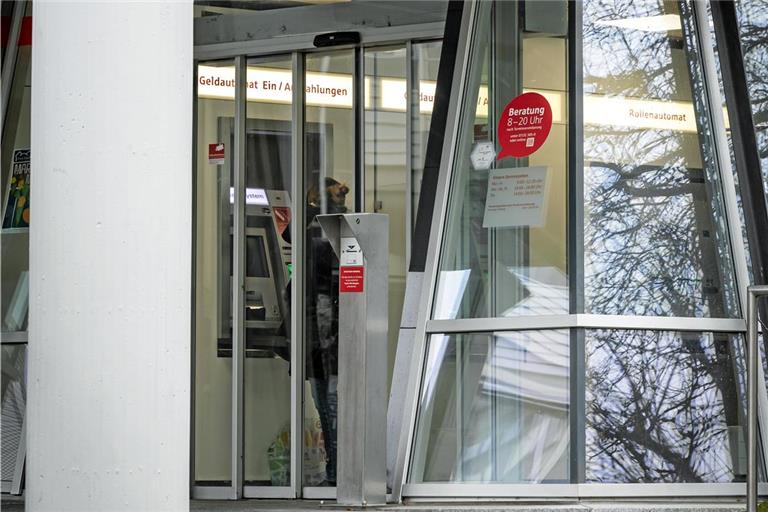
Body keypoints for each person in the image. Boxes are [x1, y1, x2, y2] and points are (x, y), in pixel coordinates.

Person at [305, 176, 350, 486]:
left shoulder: (333, 234)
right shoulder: (319, 232)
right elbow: (292, 234)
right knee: (326, 405)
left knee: (330, 405)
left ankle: (340, 473)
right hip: (320, 339)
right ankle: (336, 472)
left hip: (329, 338)